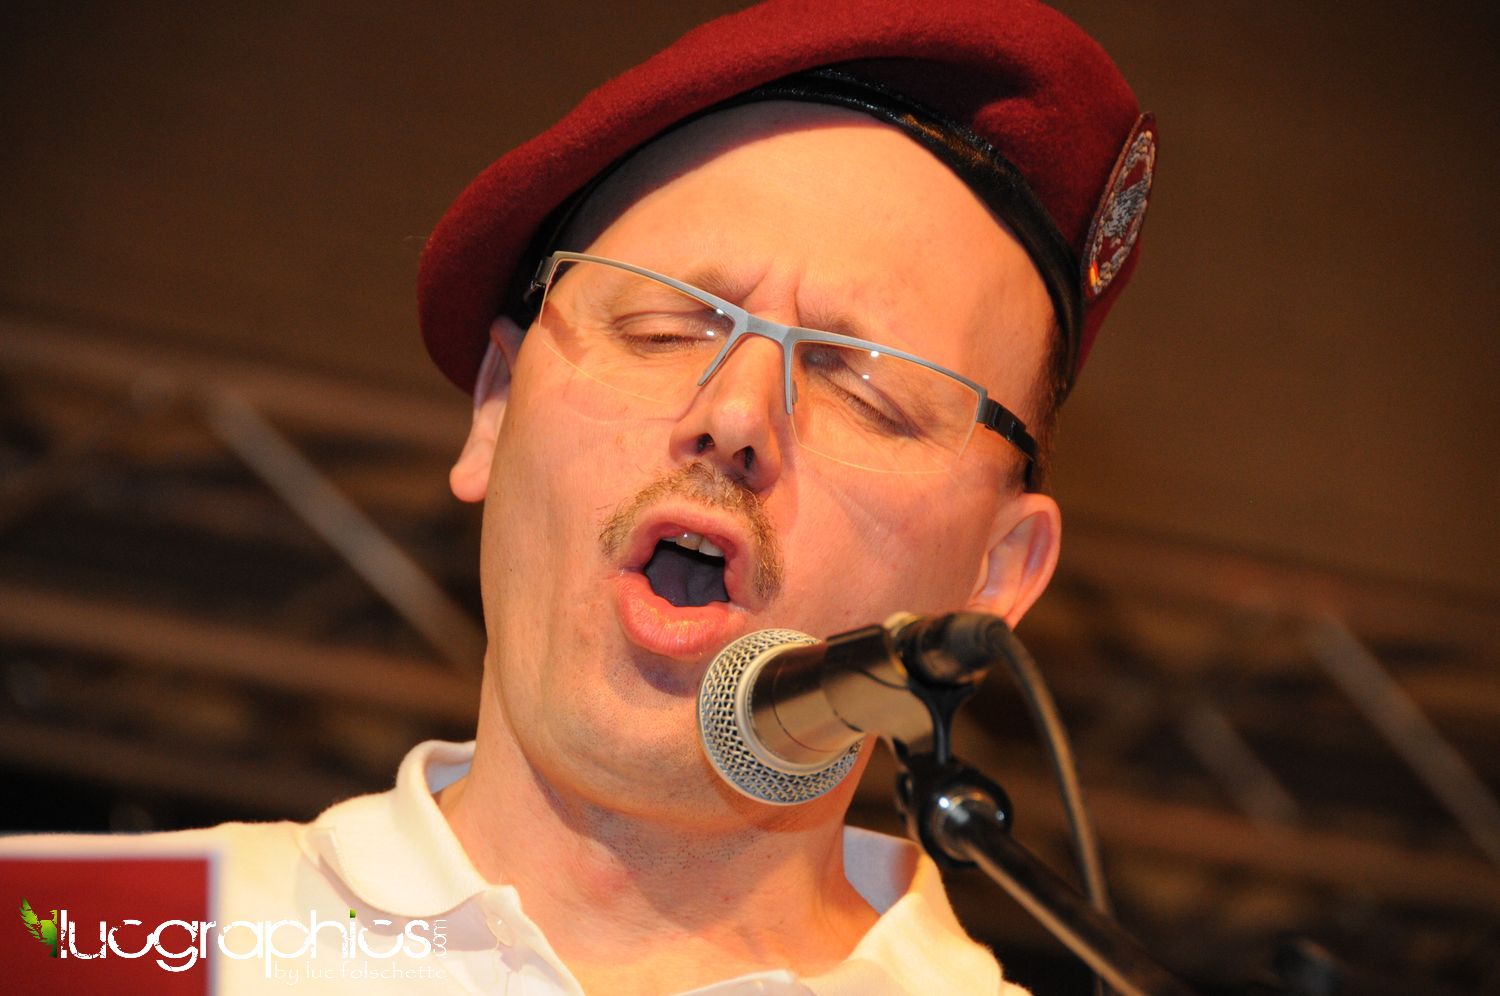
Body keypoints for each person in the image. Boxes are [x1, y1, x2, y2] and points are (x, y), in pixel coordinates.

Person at [3, 1, 1154, 991]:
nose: (735, 415)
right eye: (663, 325)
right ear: (495, 407)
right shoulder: (74, 945)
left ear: (995, 577)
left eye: (865, 389)